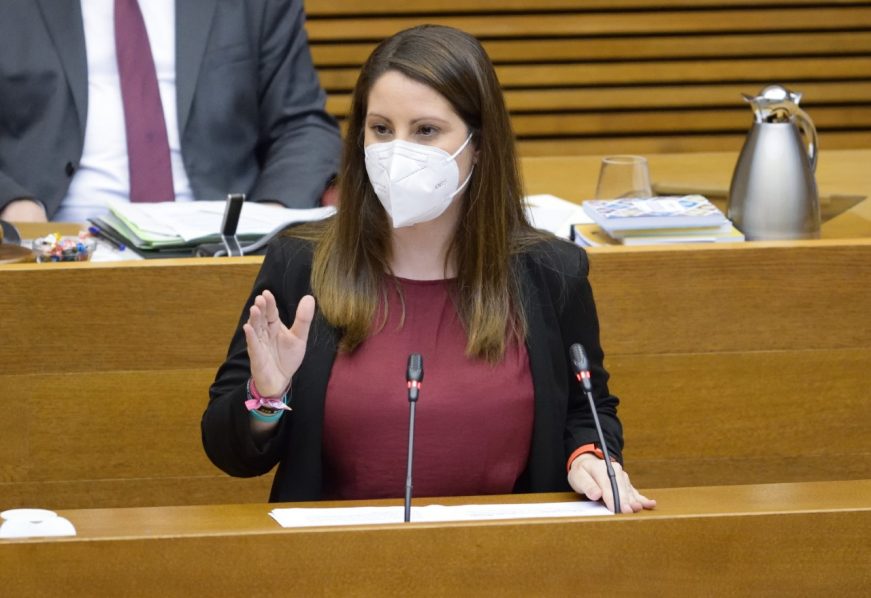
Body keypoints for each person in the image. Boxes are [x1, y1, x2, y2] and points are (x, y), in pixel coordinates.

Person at [202, 24, 655, 513]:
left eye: (425, 131)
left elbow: (587, 409)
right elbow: (231, 454)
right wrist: (266, 397)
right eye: (381, 129)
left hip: (511, 561)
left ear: (478, 145)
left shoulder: (551, 272)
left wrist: (589, 456)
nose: (398, 152)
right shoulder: (300, 265)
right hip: (333, 565)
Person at [0, 0, 341, 222]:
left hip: (218, 240)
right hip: (55, 240)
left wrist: (268, 218)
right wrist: (10, 203)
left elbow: (303, 125)